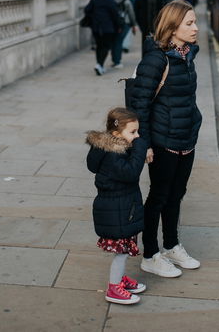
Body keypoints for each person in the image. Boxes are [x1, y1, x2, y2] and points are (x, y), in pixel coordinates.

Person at [129, 0, 202, 278]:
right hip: (163, 141)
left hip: (186, 137)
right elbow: (140, 105)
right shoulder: (155, 60)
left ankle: (171, 245)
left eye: (194, 22)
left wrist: (194, 122)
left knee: (177, 195)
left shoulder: (187, 55)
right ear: (172, 28)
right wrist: (144, 143)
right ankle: (150, 254)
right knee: (158, 197)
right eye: (189, 23)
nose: (195, 28)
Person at [86, 107, 148, 305]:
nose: (137, 136)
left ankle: (120, 280)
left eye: (137, 132)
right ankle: (113, 289)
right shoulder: (114, 155)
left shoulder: (113, 148)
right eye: (133, 132)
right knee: (121, 253)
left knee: (124, 249)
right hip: (118, 211)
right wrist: (141, 147)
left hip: (120, 208)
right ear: (115, 134)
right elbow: (131, 173)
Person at [84, 0, 121, 75]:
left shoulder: (94, 0)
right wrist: (119, 26)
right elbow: (115, 15)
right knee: (106, 46)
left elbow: (87, 10)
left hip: (96, 27)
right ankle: (100, 64)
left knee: (99, 46)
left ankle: (99, 65)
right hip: (108, 28)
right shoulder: (110, 0)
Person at [111, 0, 138, 69]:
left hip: (113, 23)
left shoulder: (111, 0)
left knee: (114, 42)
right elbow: (131, 14)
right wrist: (134, 25)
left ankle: (114, 60)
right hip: (125, 23)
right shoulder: (127, 1)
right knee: (119, 42)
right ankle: (117, 61)